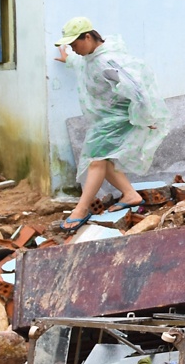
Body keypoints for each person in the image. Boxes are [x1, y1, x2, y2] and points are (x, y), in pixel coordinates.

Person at [55, 17, 169, 231]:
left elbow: (137, 89)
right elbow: (81, 63)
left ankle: (81, 209)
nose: (73, 49)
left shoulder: (108, 61)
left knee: (96, 160)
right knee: (103, 161)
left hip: (117, 119)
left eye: (74, 44)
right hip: (105, 120)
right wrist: (68, 58)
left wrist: (146, 117)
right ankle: (130, 194)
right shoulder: (91, 57)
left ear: (87, 37)